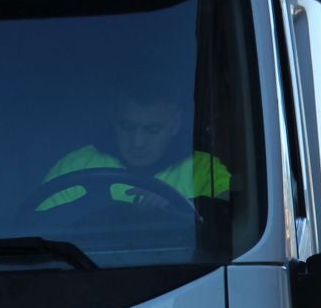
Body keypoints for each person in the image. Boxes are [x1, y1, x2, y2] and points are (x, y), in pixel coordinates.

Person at [39, 79, 231, 212]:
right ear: (113, 119)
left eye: (152, 130)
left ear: (175, 125)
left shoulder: (203, 169)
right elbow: (41, 229)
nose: (137, 142)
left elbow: (237, 216)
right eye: (126, 127)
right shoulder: (74, 166)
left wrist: (184, 206)